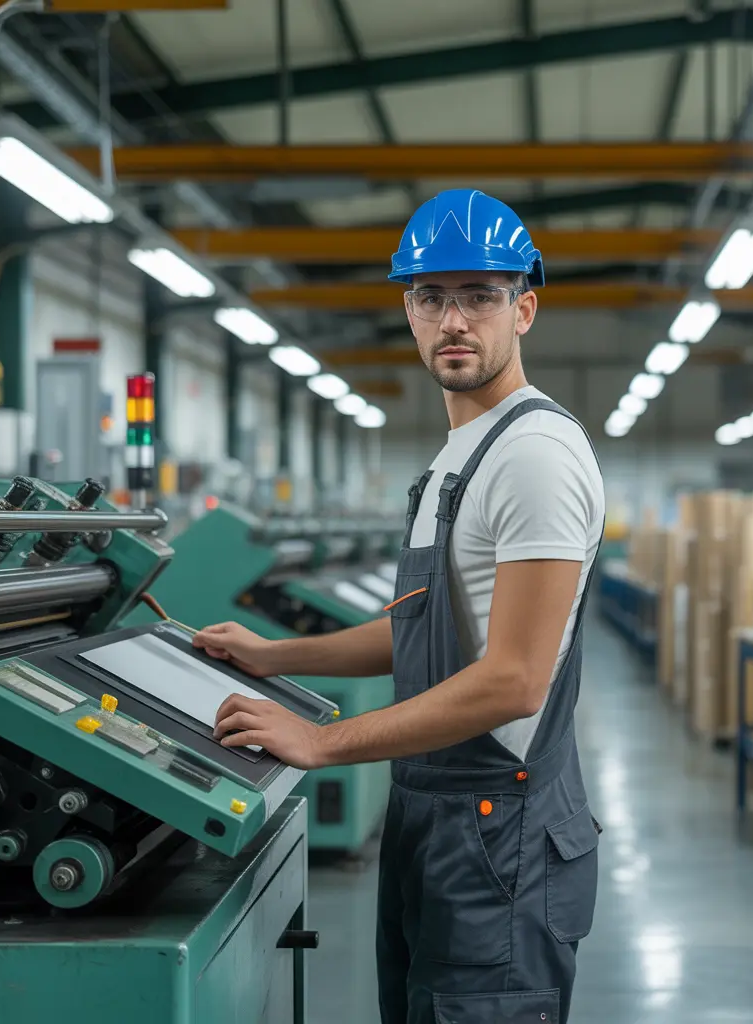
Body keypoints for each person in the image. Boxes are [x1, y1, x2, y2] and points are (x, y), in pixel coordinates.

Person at [192, 188, 606, 1024]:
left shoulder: (535, 455)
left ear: (523, 309)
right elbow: (423, 630)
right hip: (439, 818)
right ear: (409, 313)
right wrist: (277, 657)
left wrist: (322, 741)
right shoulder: (460, 457)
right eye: (431, 297)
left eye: (481, 296)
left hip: (500, 838)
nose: (455, 320)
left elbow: (514, 681)